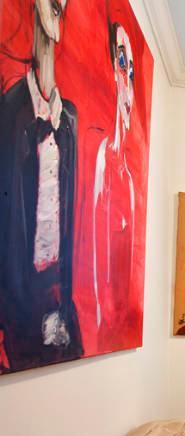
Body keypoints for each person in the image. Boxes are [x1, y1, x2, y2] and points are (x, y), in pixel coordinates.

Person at [0, 0, 81, 373]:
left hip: (58, 295)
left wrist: (62, 299)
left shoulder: (70, 119)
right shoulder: (8, 110)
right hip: (16, 300)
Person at [90, 20, 136, 342]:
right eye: (122, 62)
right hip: (104, 323)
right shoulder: (102, 158)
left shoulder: (128, 176)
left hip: (118, 325)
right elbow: (96, 264)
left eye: (131, 73)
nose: (127, 80)